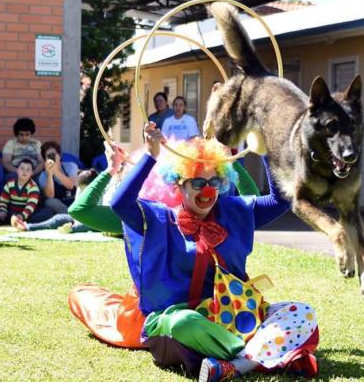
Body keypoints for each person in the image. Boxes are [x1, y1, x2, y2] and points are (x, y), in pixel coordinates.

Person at [105, 123, 318, 380]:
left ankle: (237, 365)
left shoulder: (235, 212)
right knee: (182, 323)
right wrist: (151, 155)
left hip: (234, 317)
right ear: (178, 185)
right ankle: (268, 354)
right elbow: (119, 204)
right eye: (197, 182)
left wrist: (265, 150)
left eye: (214, 181)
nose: (207, 190)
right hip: (180, 322)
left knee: (302, 312)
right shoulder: (160, 219)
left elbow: (281, 199)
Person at [12, 168, 104, 233]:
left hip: (96, 220)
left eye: (86, 189)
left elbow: (98, 214)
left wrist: (77, 223)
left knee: (90, 225)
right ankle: (27, 227)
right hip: (80, 218)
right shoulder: (80, 188)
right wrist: (76, 219)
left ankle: (72, 229)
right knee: (59, 218)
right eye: (81, 189)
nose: (83, 192)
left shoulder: (100, 190)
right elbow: (76, 207)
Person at [0, 159, 52, 227]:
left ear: (31, 173)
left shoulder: (33, 187)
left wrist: (22, 215)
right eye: (22, 169)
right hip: (11, 213)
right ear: (17, 171)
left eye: (28, 170)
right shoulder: (9, 184)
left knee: (47, 212)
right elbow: (3, 200)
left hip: (25, 214)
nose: (24, 172)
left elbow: (31, 205)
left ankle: (18, 222)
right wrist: (2, 210)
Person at [38, 141, 78, 214]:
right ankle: (72, 217)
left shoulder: (71, 166)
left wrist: (56, 171)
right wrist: (49, 174)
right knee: (49, 202)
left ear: (59, 156)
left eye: (53, 155)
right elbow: (50, 195)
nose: (51, 158)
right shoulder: (43, 175)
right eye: (49, 156)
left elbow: (71, 185)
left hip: (74, 201)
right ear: (45, 159)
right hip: (60, 206)